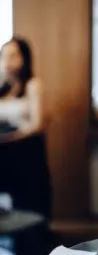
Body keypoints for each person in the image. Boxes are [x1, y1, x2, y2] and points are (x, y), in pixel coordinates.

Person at [0, 37, 51, 219]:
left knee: (28, 207)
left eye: (13, 56)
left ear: (24, 58)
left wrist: (10, 137)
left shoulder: (32, 85)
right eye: (4, 56)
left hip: (25, 153)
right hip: (5, 154)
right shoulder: (3, 88)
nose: (7, 61)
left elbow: (38, 125)